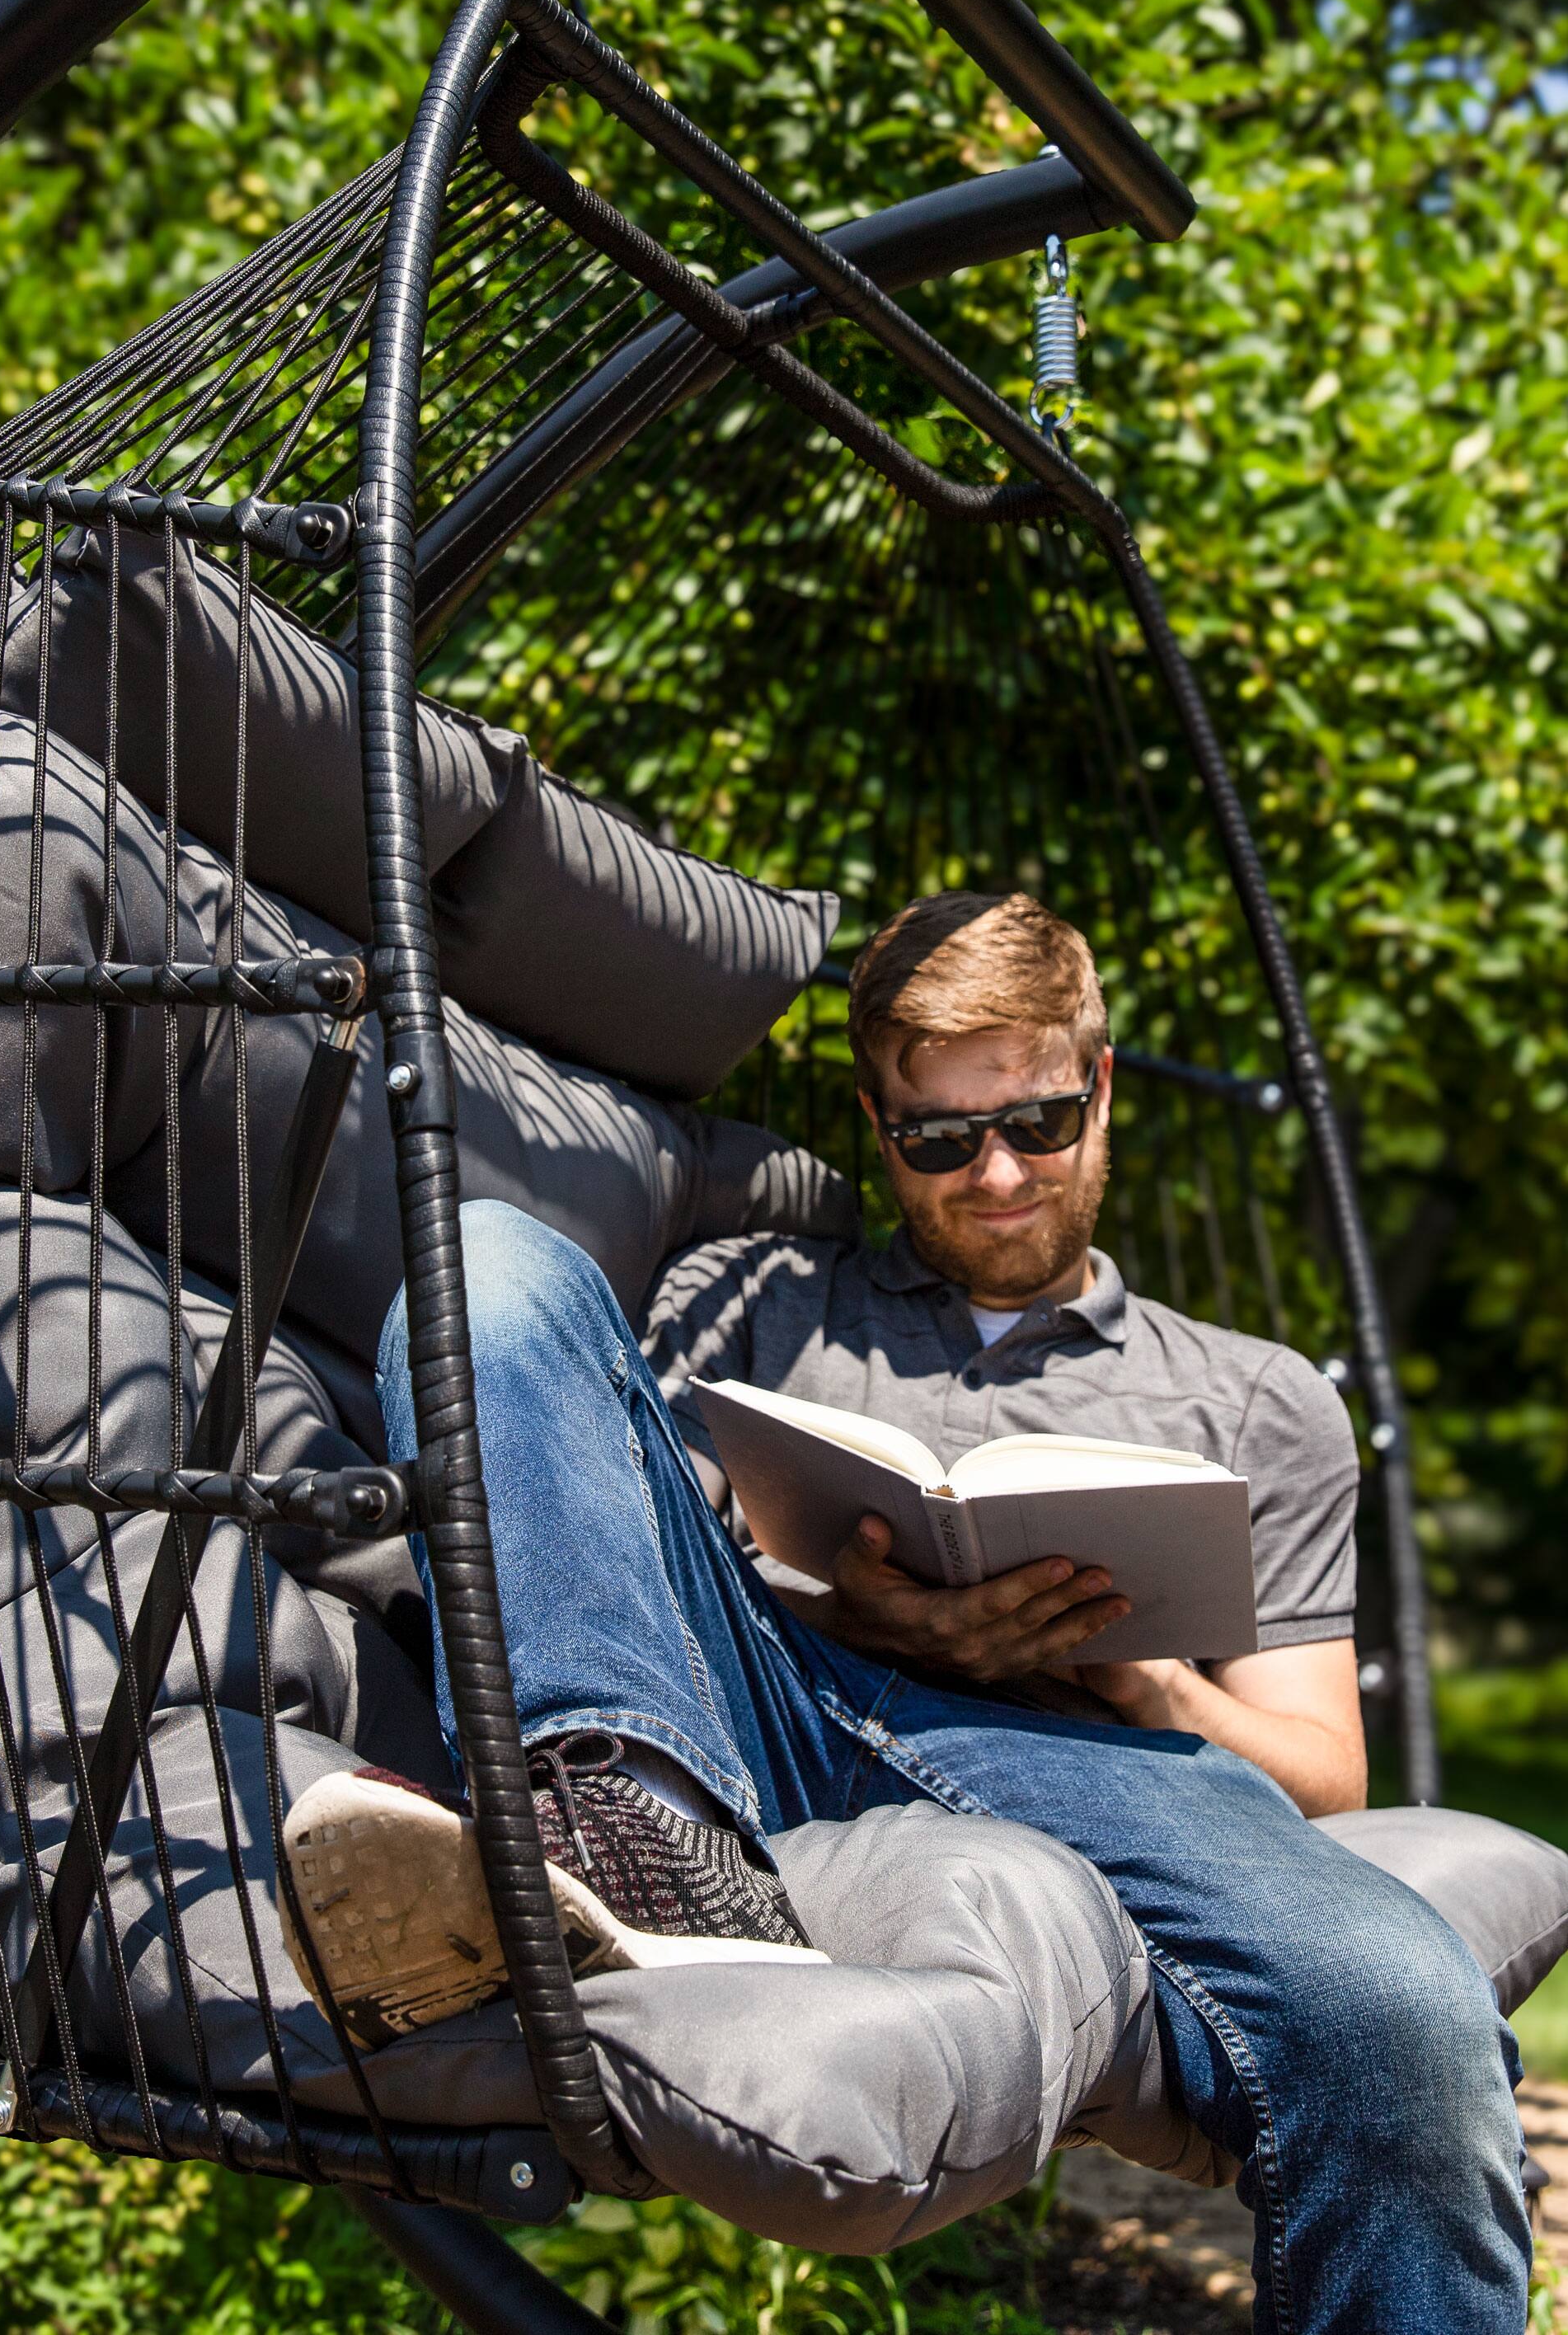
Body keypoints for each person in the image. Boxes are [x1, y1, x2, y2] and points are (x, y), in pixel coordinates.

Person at [284, 891, 1526, 2335]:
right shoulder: (750, 1301)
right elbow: (600, 1548)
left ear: (1100, 1084)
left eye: (1038, 1124)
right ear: (877, 1124)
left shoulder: (1258, 1398)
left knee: (1405, 2009)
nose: (995, 1175)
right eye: (938, 1139)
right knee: (489, 1268)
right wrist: (837, 1598)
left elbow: (1326, 1777)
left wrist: (1145, 1683)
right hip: (775, 1717)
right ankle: (626, 1833)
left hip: (1097, 1770)